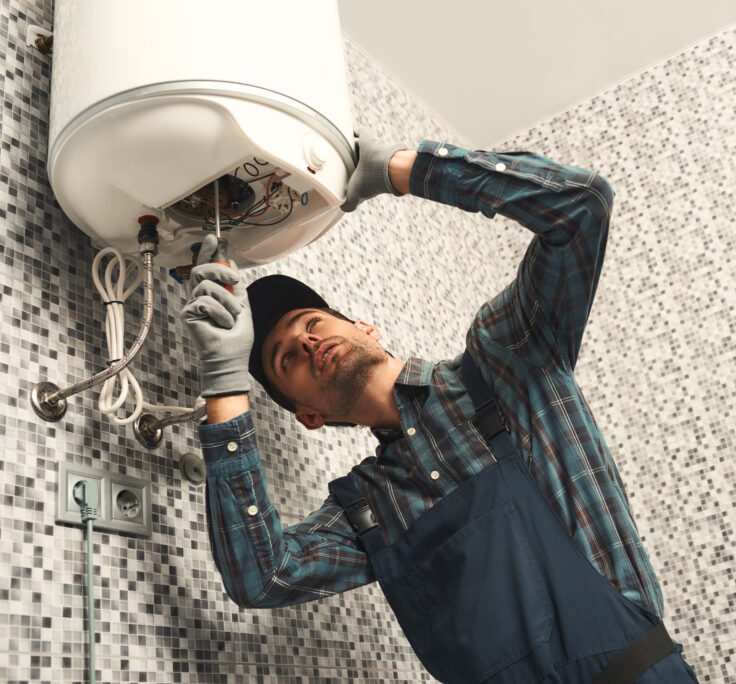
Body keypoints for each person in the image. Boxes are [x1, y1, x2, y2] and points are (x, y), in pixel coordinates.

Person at [182, 129, 699, 683]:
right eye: (287, 360)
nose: (307, 343)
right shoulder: (368, 507)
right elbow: (262, 575)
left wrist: (405, 170)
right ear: (309, 416)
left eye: (312, 323)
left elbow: (581, 207)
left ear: (364, 327)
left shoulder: (508, 362)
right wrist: (224, 379)